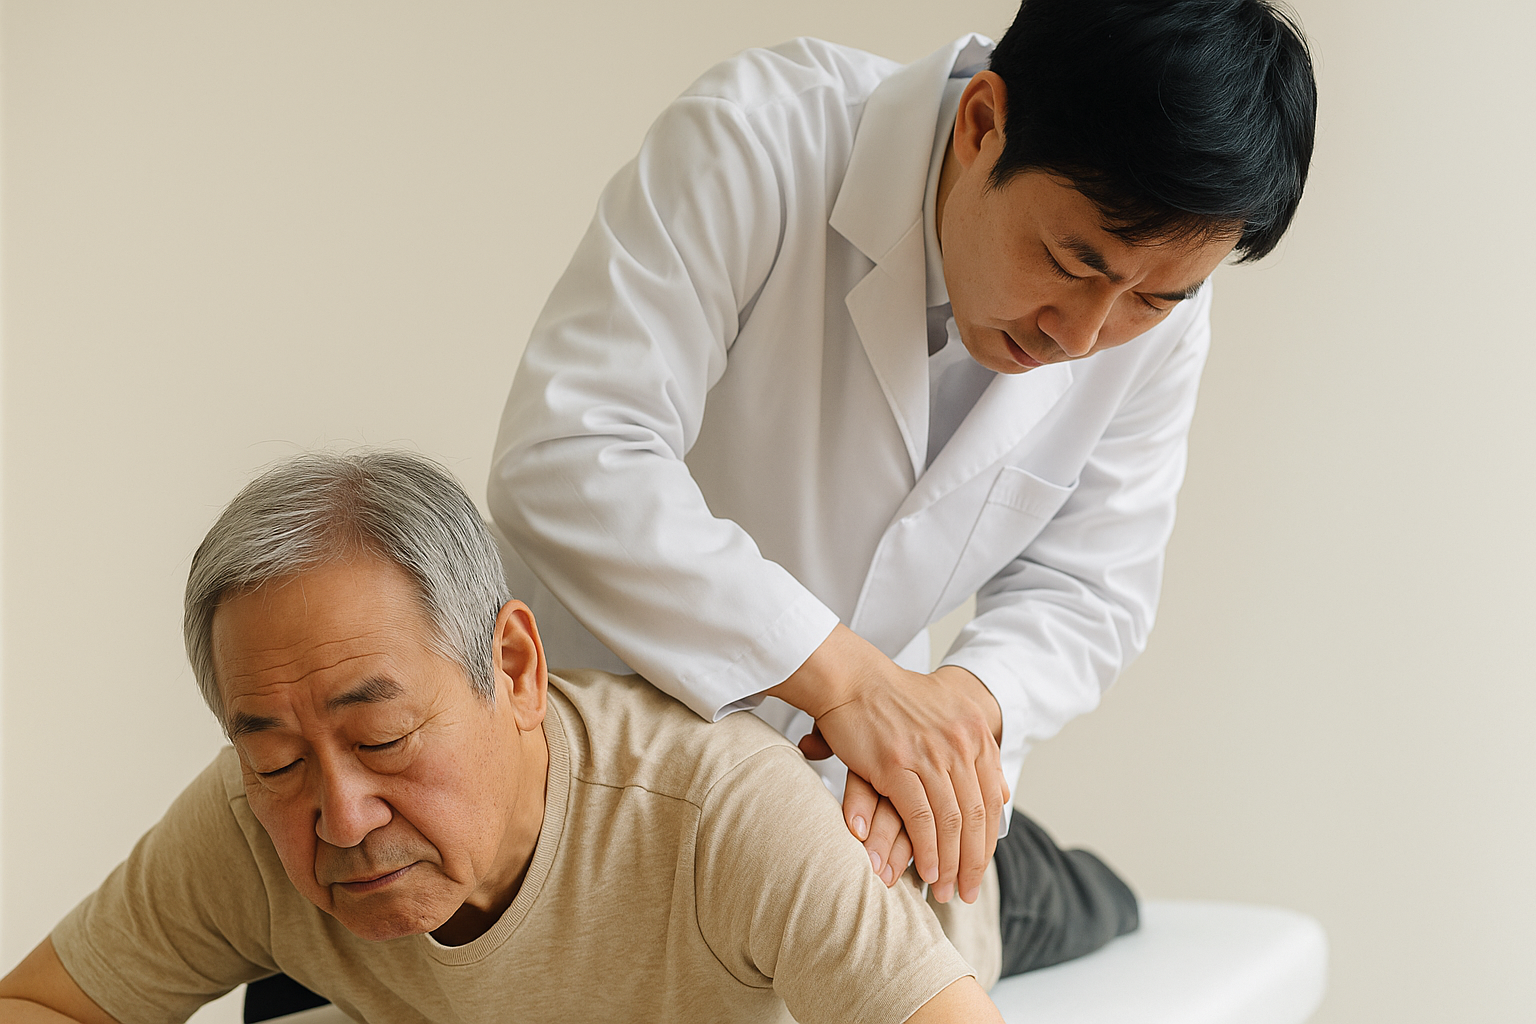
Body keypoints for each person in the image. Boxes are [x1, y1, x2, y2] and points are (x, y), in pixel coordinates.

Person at [487, 0, 1316, 974]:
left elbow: (1090, 586)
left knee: (1084, 905)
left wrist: (959, 709)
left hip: (858, 801)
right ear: (982, 124)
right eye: (1070, 261)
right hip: (605, 761)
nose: (1084, 335)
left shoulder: (1155, 308)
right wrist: (846, 679)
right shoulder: (759, 139)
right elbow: (571, 451)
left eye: (1152, 298)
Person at [0, 450, 1006, 1024]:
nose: (341, 817)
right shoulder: (249, 819)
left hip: (927, 863)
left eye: (383, 738)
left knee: (1060, 890)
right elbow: (39, 1005)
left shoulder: (724, 814)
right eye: (277, 758)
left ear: (516, 668)